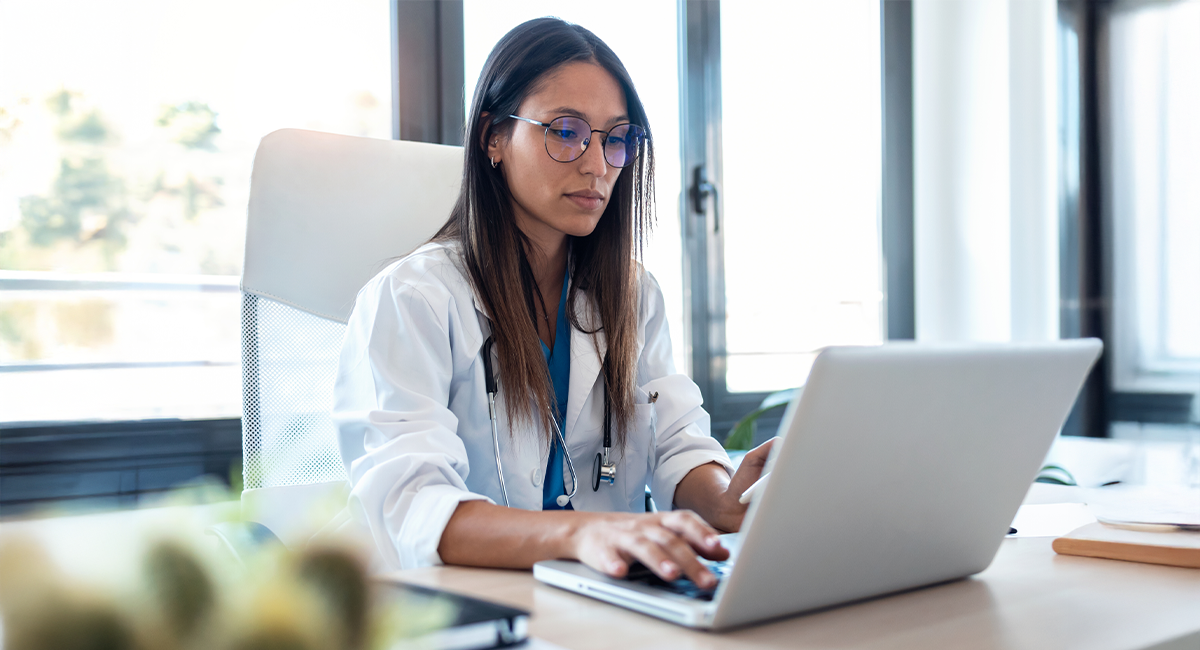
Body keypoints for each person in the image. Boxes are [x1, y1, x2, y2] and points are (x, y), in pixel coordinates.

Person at [333, 17, 773, 589]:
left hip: (604, 601)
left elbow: (677, 447)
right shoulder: (413, 299)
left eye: (615, 139)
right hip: (455, 611)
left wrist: (732, 498)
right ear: (493, 136)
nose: (597, 165)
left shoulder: (634, 297)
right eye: (566, 131)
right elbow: (412, 506)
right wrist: (582, 533)